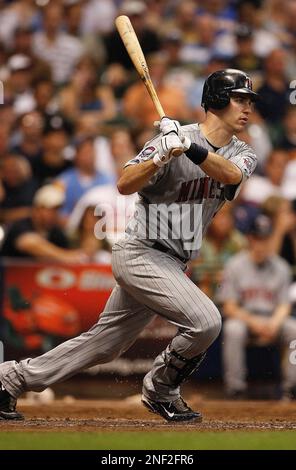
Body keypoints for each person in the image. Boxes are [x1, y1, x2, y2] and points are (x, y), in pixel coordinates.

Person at [0, 69, 258, 422]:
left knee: (104, 344)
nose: (246, 108)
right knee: (206, 321)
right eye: (239, 99)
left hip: (173, 261)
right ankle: (162, 389)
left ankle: (10, 379)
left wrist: (190, 148)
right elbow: (124, 184)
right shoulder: (172, 139)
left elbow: (230, 175)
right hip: (140, 252)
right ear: (215, 101)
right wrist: (159, 157)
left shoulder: (241, 151)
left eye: (249, 101)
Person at [220, 213, 296, 399]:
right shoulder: (234, 265)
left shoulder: (282, 267)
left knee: (294, 329)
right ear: (249, 239)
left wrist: (274, 324)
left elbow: (284, 305)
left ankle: (291, 389)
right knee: (233, 329)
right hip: (245, 319)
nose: (261, 244)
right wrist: (254, 322)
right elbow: (229, 307)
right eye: (257, 238)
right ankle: (235, 389)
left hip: (273, 319)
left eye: (265, 239)